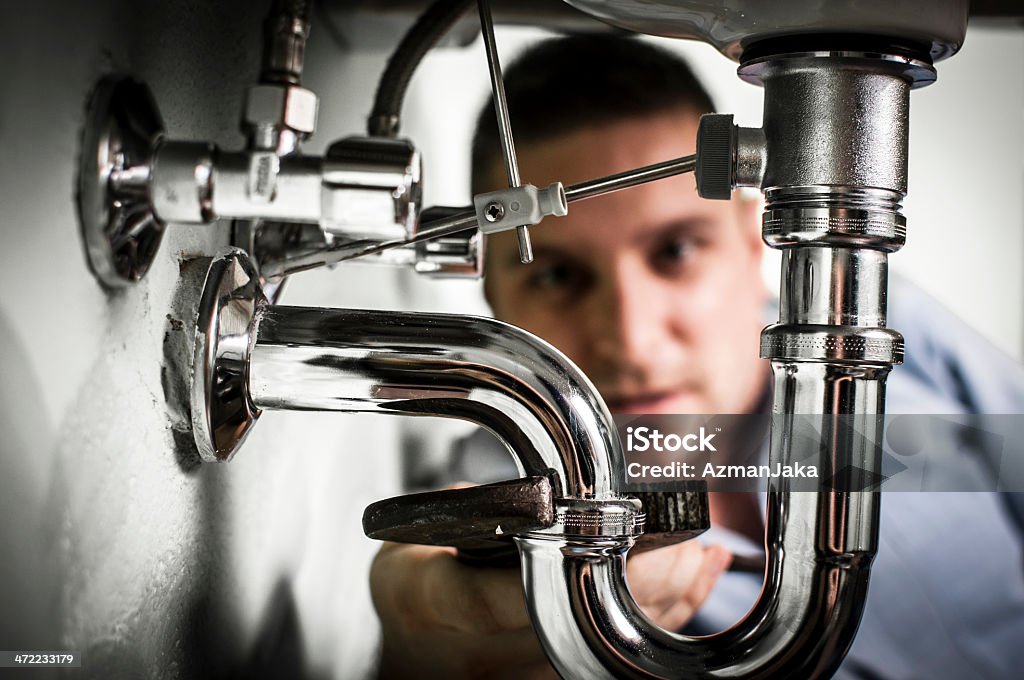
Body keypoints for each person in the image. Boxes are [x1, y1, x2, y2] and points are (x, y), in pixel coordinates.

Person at [370, 35, 1024, 679]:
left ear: (752, 241)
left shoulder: (878, 321)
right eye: (556, 276)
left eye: (676, 251)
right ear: (493, 293)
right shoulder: (504, 513)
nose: (631, 340)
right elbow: (434, 613)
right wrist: (421, 651)